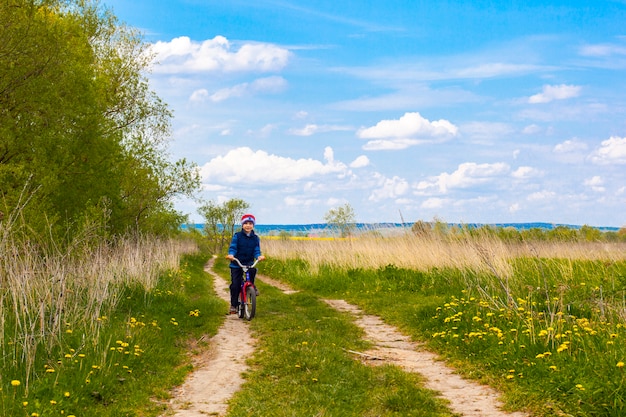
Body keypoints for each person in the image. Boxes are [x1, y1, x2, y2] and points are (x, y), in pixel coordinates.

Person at [225, 213, 265, 314]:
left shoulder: (255, 238)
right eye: (246, 223)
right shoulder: (237, 236)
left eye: (250, 223)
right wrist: (231, 255)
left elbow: (256, 249)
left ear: (253, 225)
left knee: (252, 271)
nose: (248, 225)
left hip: (249, 263)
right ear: (242, 225)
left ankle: (251, 287)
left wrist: (258, 256)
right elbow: (233, 247)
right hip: (236, 263)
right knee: (235, 285)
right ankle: (234, 305)